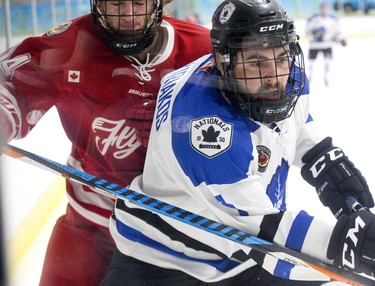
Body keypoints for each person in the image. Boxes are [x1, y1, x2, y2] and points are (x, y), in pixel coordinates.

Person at [103, 0, 375, 285]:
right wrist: (350, 244)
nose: (274, 76)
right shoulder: (204, 129)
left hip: (234, 252)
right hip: (162, 260)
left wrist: (326, 163)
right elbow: (263, 228)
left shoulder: (286, 75)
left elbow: (295, 124)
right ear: (224, 61)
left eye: (281, 58)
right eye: (257, 62)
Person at [0, 0, 212, 285]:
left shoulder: (202, 50)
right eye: (115, 2)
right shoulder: (68, 44)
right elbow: (10, 85)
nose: (127, 14)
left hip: (179, 238)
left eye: (138, 2)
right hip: (90, 228)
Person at [306, 2, 347, 86]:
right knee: (311, 62)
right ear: (320, 8)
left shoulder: (333, 18)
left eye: (325, 8)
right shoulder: (313, 18)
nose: (324, 9)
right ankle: (309, 76)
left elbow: (337, 31)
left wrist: (341, 39)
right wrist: (315, 35)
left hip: (327, 45)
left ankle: (326, 77)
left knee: (327, 61)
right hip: (315, 45)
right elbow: (307, 31)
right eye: (323, 8)